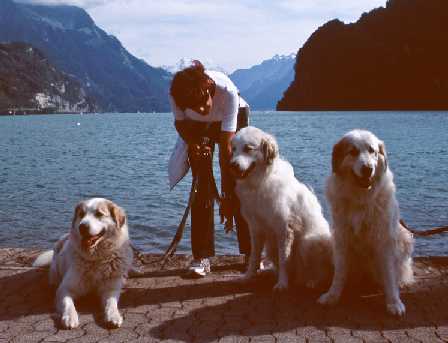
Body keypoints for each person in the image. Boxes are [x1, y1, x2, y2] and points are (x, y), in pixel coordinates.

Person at [169, 60, 250, 277]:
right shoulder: (177, 94)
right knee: (201, 186)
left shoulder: (228, 92)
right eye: (195, 108)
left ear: (207, 86)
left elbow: (226, 152)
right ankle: (202, 256)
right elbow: (180, 124)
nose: (203, 109)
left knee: (240, 183)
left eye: (203, 102)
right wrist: (193, 145)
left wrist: (226, 196)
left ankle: (252, 254)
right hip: (196, 128)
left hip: (232, 116)